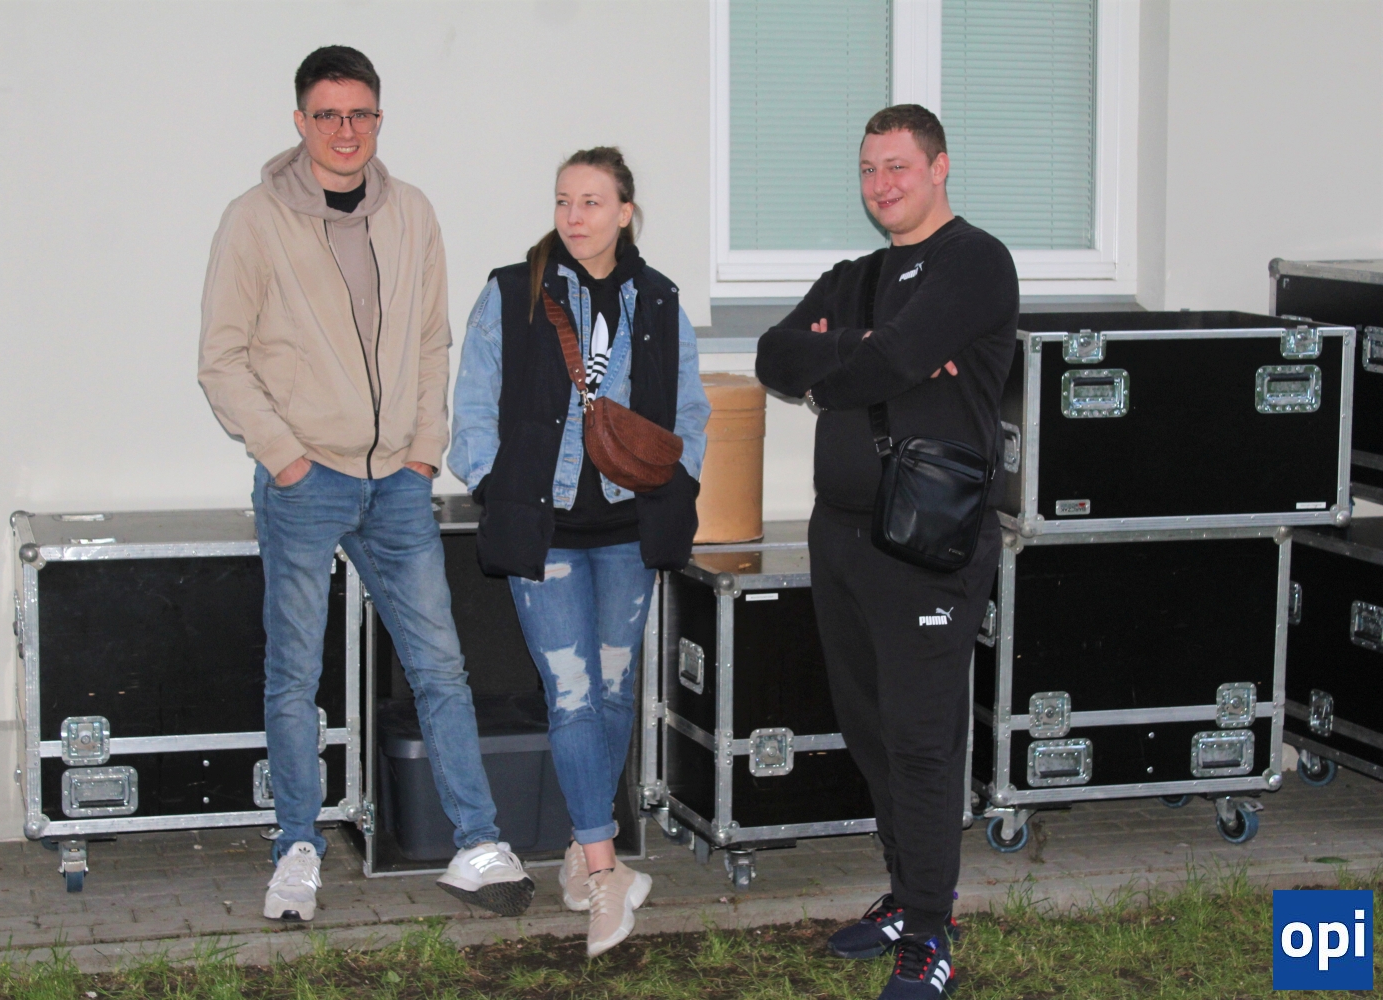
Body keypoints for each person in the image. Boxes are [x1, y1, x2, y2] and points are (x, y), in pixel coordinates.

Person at [198, 45, 534, 923]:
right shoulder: (253, 220)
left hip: (397, 486)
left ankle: (477, 845)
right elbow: (221, 359)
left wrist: (424, 451)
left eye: (360, 114)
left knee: (441, 666)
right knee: (294, 674)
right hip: (305, 481)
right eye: (328, 115)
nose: (345, 131)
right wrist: (285, 455)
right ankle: (296, 848)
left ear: (379, 120)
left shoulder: (411, 212)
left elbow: (429, 341)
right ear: (301, 122)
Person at [755, 105, 1018, 999]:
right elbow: (774, 357)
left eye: (898, 167)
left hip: (928, 540)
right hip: (841, 534)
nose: (881, 185)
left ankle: (931, 932)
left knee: (921, 741)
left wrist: (849, 357)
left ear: (940, 167)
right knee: (871, 731)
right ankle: (908, 897)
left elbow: (887, 364)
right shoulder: (856, 276)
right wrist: (866, 349)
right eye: (869, 169)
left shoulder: (975, 262)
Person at [449, 147, 709, 956]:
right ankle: (605, 871)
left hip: (631, 531)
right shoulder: (512, 291)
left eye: (592, 201)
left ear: (625, 212)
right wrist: (497, 485)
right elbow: (472, 406)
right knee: (570, 696)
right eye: (564, 199)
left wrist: (680, 480)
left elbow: (691, 411)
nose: (574, 215)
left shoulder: (659, 299)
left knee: (613, 694)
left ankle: (579, 844)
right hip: (547, 532)